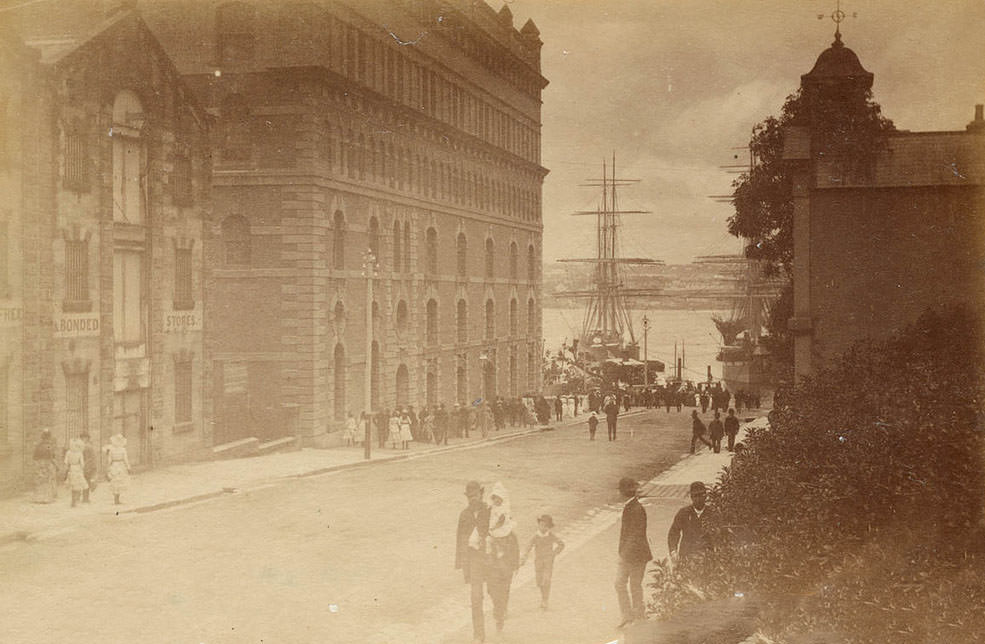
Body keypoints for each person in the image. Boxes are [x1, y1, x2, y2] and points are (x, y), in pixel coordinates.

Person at [456, 480, 491, 644]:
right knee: (476, 597)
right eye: (469, 496)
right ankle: (479, 634)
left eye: (475, 495)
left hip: (491, 560)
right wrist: (462, 564)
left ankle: (500, 612)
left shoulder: (491, 511)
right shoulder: (464, 515)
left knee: (496, 593)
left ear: (481, 494)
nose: (472, 499)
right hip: (474, 561)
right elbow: (460, 539)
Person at [615, 477, 651, 628]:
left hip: (636, 556)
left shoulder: (636, 509)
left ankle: (637, 616)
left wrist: (623, 555)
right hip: (629, 554)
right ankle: (629, 615)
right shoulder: (630, 506)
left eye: (621, 489)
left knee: (634, 585)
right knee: (620, 584)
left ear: (624, 491)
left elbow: (635, 535)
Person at [486, 482, 519, 635]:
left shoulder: (505, 510)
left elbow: (502, 522)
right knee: (492, 589)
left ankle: (501, 611)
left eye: (499, 498)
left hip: (503, 536)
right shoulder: (490, 510)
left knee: (504, 588)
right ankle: (498, 606)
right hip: (492, 538)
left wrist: (515, 563)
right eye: (495, 498)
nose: (497, 500)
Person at [521, 514, 565, 610]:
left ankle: (545, 600)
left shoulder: (551, 535)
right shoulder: (536, 536)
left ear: (549, 527)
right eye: (541, 525)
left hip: (548, 561)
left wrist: (554, 553)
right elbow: (528, 546)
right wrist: (524, 557)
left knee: (547, 580)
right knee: (539, 581)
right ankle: (543, 597)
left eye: (545, 526)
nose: (542, 528)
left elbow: (561, 544)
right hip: (538, 561)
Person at [667, 481, 714, 570]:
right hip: (687, 555)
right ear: (691, 497)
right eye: (695, 496)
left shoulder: (712, 513)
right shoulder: (683, 513)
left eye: (701, 495)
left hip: (707, 557)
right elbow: (673, 533)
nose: (698, 499)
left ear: (706, 496)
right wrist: (673, 551)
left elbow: (721, 535)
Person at [104, 433, 131, 505]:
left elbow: (109, 460)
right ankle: (117, 499)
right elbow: (125, 459)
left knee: (115, 481)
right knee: (118, 481)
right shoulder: (123, 449)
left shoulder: (111, 450)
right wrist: (128, 467)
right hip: (120, 466)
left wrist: (108, 468)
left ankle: (116, 499)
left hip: (114, 465)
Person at [32, 429, 58, 504]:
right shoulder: (49, 446)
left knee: (40, 481)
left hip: (39, 464)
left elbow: (34, 456)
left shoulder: (38, 445)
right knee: (47, 481)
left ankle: (38, 498)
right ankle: (46, 498)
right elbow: (52, 455)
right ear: (49, 437)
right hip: (47, 464)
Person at [64, 438, 89, 508]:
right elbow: (82, 464)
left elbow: (66, 462)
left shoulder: (68, 452)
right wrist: (82, 468)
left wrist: (67, 469)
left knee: (73, 485)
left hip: (71, 469)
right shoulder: (79, 453)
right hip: (78, 469)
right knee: (78, 484)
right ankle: (75, 500)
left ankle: (73, 500)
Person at [81, 433, 97, 503]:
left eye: (84, 438)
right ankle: (85, 498)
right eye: (82, 438)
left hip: (86, 466)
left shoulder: (86, 446)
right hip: (87, 466)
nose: (83, 439)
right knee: (86, 482)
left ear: (87, 438)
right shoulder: (88, 446)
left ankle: (85, 498)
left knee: (85, 482)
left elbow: (90, 458)